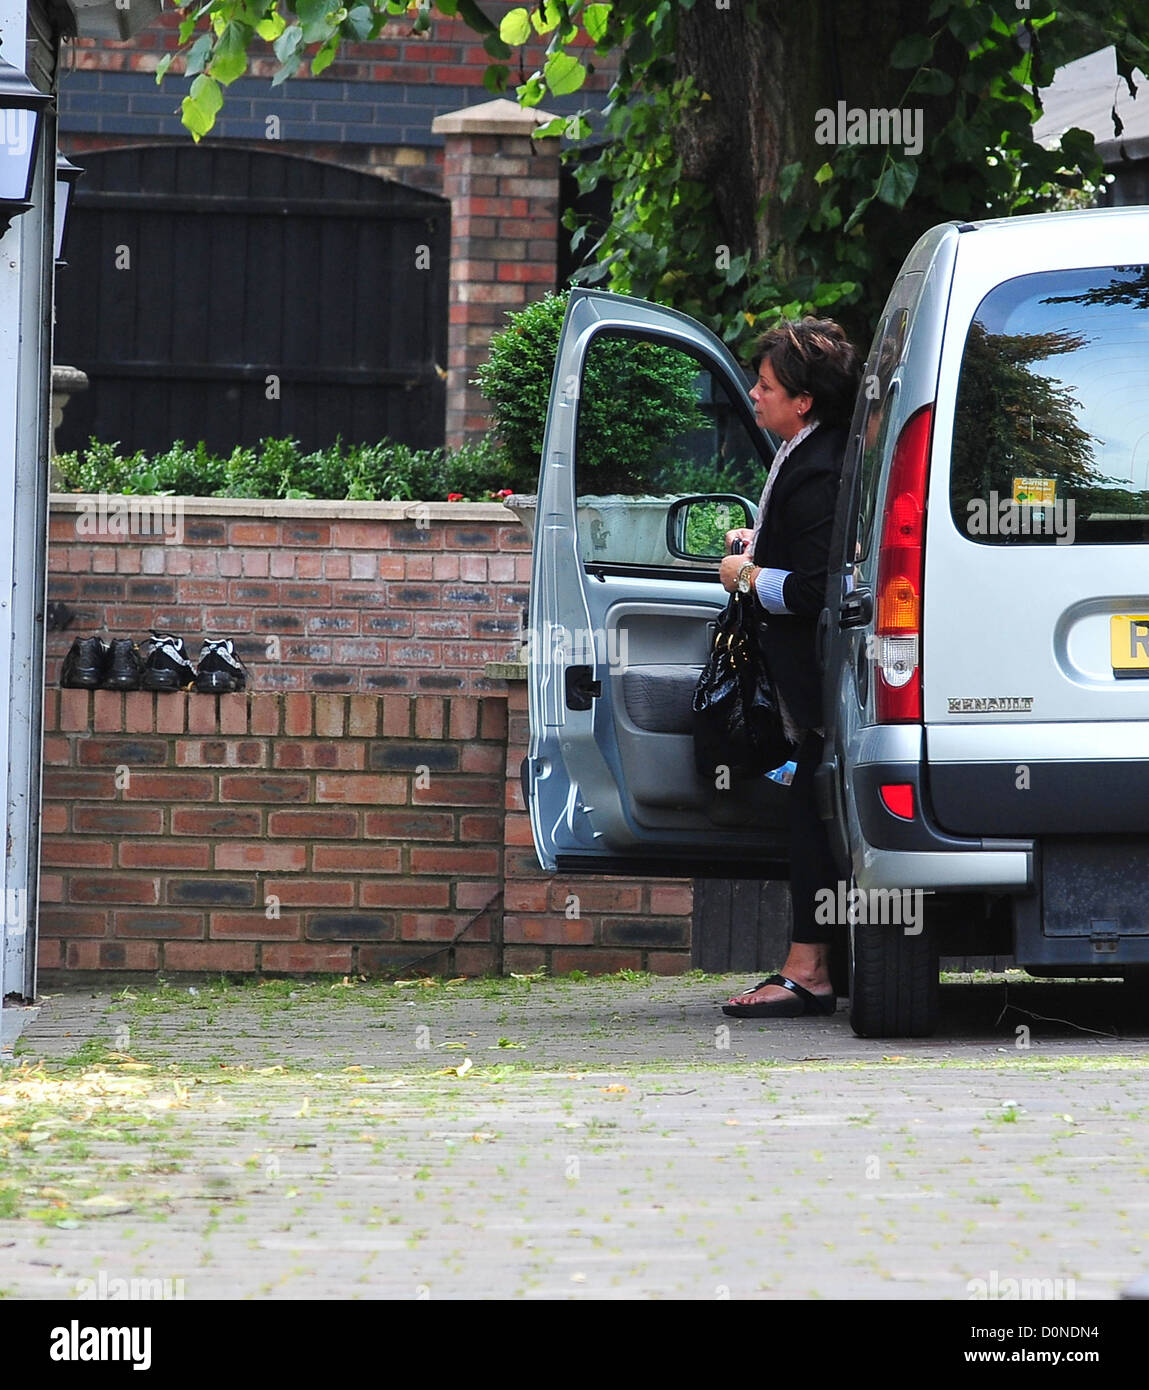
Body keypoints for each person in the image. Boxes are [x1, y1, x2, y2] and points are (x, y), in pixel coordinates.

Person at [717, 317, 861, 1018]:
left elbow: (812, 589)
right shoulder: (809, 452)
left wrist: (744, 575)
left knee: (811, 809)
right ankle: (818, 966)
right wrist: (760, 542)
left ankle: (808, 972)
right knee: (810, 806)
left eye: (766, 385)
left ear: (802, 400)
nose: (753, 393)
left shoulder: (820, 466)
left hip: (813, 683)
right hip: (806, 682)